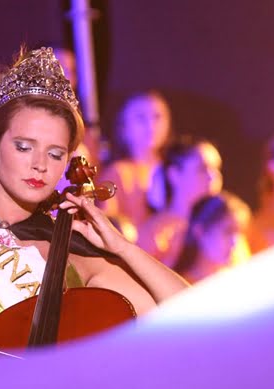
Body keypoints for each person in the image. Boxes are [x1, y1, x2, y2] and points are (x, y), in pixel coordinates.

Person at [0, 47, 188, 351]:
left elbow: (188, 313)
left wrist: (122, 247)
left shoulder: (71, 247)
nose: (40, 164)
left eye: (55, 153)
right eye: (24, 147)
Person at [135, 135, 223, 267]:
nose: (213, 176)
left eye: (217, 168)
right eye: (202, 168)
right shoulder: (155, 234)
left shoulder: (225, 227)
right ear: (174, 174)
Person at [99, 90, 173, 241]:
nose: (151, 125)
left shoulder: (175, 172)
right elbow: (109, 224)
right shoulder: (117, 173)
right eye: (141, 118)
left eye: (157, 117)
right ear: (124, 128)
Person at [173, 192, 251, 284]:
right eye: (228, 231)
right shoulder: (178, 286)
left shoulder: (239, 284)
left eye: (239, 233)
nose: (235, 241)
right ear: (199, 231)